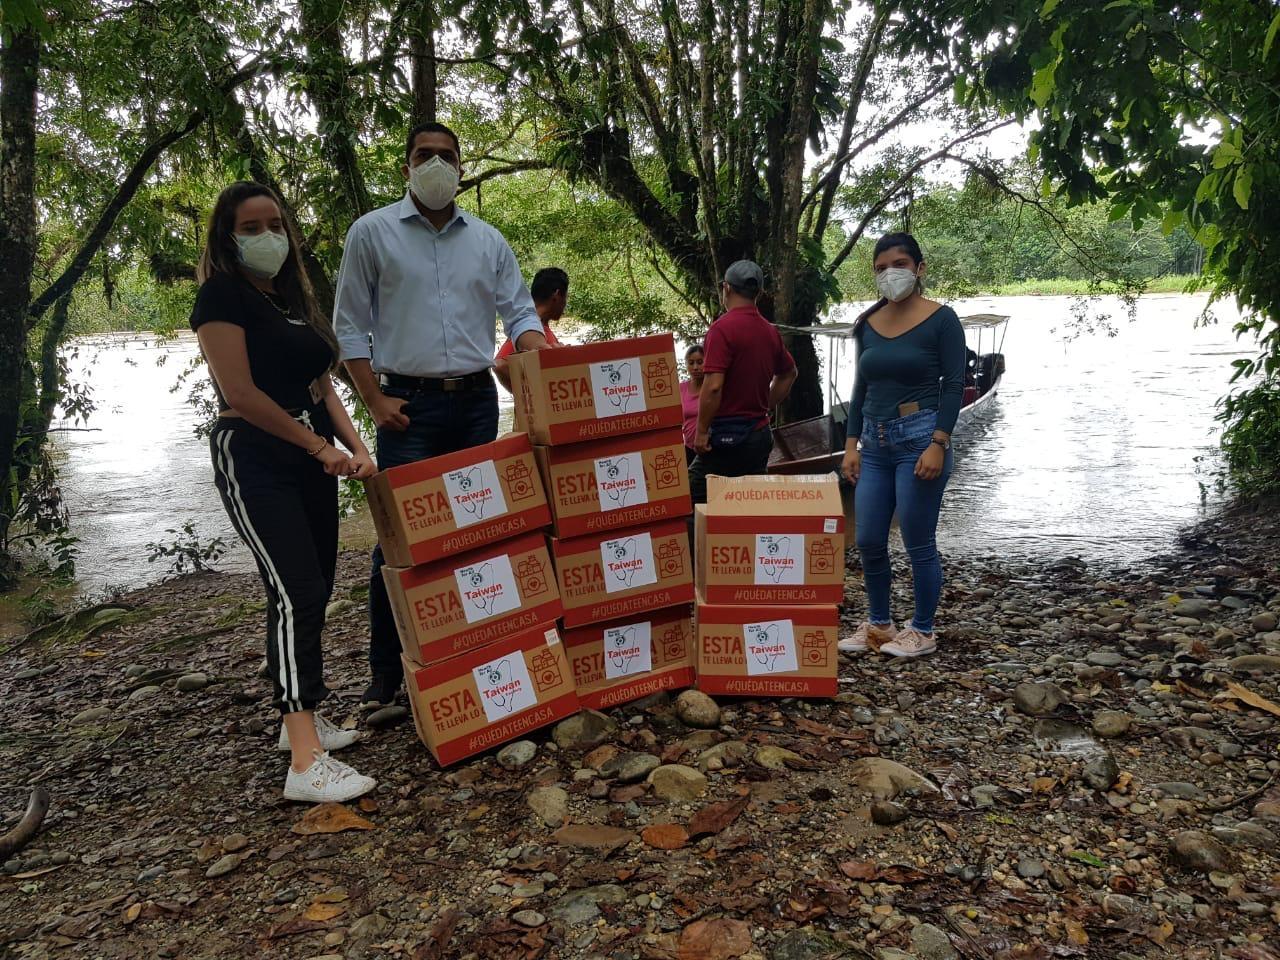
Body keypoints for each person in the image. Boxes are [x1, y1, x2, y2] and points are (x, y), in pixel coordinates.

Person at [333, 121, 551, 709]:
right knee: (399, 544)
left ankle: (474, 659)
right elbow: (349, 326)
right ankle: (388, 675)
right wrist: (373, 401)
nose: (435, 164)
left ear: (461, 169)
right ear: (406, 167)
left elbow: (520, 317)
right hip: (409, 407)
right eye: (423, 155)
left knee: (481, 536)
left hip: (478, 402)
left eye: (446, 156)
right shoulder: (372, 233)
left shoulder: (488, 241)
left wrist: (558, 363)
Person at [191, 181, 377, 803]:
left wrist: (357, 447)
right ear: (228, 236)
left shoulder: (292, 299)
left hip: (310, 459)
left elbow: (324, 386)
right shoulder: (221, 296)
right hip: (257, 456)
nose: (267, 236)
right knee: (295, 590)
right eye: (251, 227)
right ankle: (304, 761)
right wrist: (318, 447)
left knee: (315, 586)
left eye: (275, 224)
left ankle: (303, 718)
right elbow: (240, 394)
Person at [839, 232, 965, 659]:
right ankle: (878, 624)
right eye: (880, 268)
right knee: (870, 538)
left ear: (919, 269)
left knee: (917, 540)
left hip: (920, 438)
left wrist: (939, 442)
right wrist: (851, 444)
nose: (890, 273)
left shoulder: (942, 320)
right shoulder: (868, 324)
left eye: (899, 264)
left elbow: (954, 386)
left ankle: (923, 630)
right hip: (874, 443)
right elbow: (861, 388)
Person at [690, 260, 798, 502]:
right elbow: (789, 373)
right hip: (758, 435)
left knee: (694, 498)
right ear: (759, 292)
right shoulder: (769, 331)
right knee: (751, 505)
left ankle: (705, 541)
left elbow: (714, 386)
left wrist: (701, 431)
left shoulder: (721, 330)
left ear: (727, 288)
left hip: (726, 437)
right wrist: (765, 406)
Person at [494, 267, 566, 392]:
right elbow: (500, 365)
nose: (565, 304)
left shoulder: (541, 327)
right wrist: (532, 396)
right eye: (566, 297)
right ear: (557, 295)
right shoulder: (528, 331)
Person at [679, 344, 705, 465]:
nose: (695, 367)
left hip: (711, 447)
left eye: (700, 362)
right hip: (689, 448)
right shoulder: (681, 389)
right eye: (691, 363)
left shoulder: (714, 387)